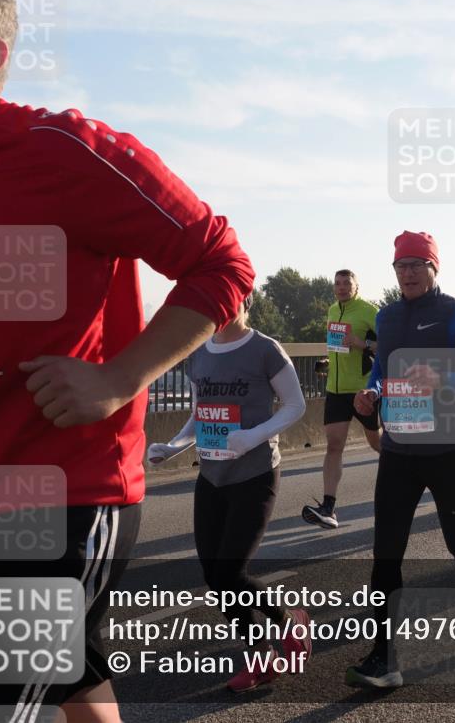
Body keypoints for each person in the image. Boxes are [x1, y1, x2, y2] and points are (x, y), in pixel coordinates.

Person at [0, 0, 255, 719]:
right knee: (74, 681)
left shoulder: (61, 152)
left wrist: (118, 379)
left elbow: (222, 264)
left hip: (56, 493)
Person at [345, 231, 455, 688]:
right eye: (400, 266)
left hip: (449, 447)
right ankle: (385, 658)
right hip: (399, 448)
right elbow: (382, 367)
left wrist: (443, 373)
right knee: (385, 553)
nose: (408, 273)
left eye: (416, 265)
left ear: (434, 269)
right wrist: (371, 392)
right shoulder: (388, 317)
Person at [147, 296, 311, 692]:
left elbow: (296, 405)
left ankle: (290, 623)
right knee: (213, 575)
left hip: (255, 475)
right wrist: (174, 446)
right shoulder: (200, 352)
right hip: (211, 476)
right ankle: (262, 654)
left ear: (246, 300)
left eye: (228, 300)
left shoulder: (265, 349)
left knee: (230, 572)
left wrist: (254, 436)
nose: (217, 309)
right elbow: (201, 412)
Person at [302, 270, 380, 529]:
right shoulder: (333, 310)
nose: (342, 287)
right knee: (334, 446)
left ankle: (418, 473)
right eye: (337, 283)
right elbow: (337, 346)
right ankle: (328, 507)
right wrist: (328, 361)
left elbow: (389, 346)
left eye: (347, 283)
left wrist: (361, 343)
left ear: (357, 286)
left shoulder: (369, 311)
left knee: (377, 443)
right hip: (335, 389)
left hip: (362, 390)